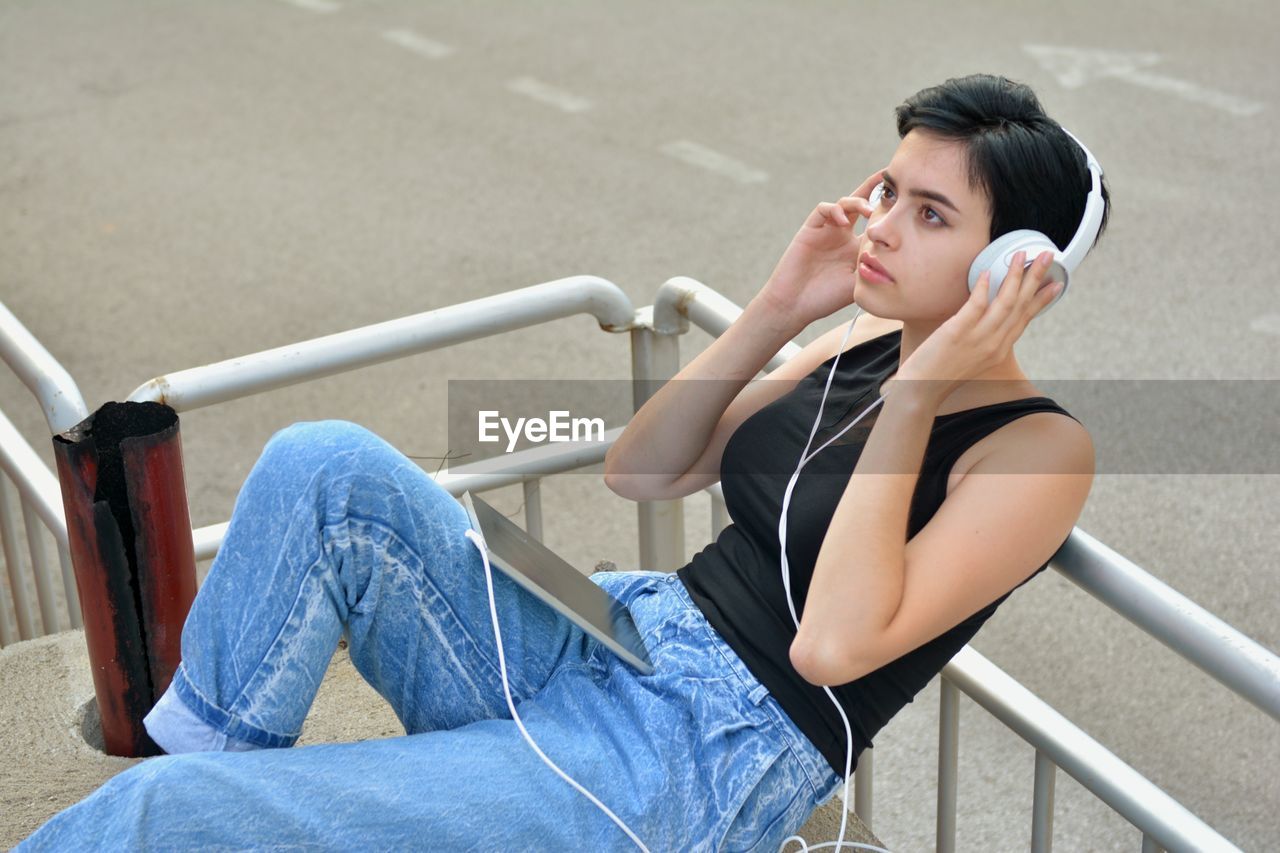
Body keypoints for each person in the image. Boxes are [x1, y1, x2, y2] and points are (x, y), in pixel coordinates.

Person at [17, 73, 1109, 852]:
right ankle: (213, 782)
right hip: (621, 630)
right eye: (886, 190)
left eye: (928, 215)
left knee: (152, 826)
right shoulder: (862, 339)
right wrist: (781, 301)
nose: (878, 226)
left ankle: (192, 813)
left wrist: (920, 394)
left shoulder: (1035, 452)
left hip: (691, 762)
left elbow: (828, 648)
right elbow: (642, 471)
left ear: (1018, 268)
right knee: (326, 468)